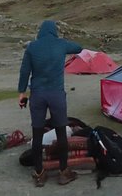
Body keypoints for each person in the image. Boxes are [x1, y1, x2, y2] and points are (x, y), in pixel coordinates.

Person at [18, 20, 83, 187]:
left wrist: (21, 93)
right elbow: (79, 47)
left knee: (37, 133)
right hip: (56, 95)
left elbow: (25, 71)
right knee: (61, 133)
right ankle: (63, 172)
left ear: (40, 31)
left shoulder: (32, 47)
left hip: (38, 95)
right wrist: (63, 42)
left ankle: (39, 174)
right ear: (54, 31)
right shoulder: (61, 44)